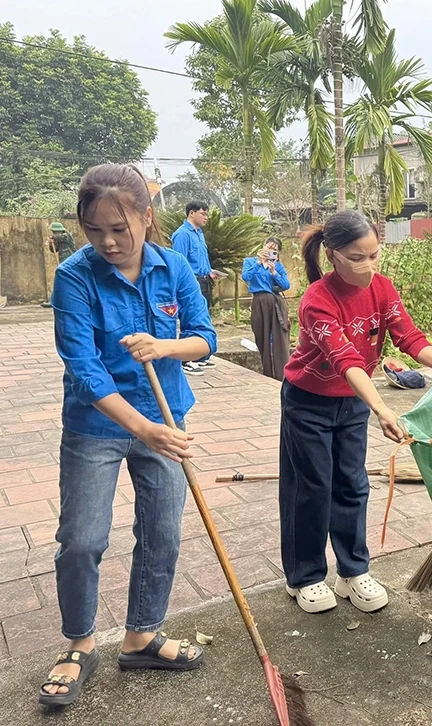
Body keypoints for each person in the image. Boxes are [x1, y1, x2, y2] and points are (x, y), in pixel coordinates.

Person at [40, 163, 217, 707]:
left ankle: (141, 635)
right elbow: (83, 366)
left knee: (163, 530)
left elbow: (204, 339)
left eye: (121, 228)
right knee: (83, 538)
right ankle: (79, 643)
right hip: (98, 425)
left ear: (146, 216)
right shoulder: (74, 276)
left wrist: (164, 347)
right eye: (95, 231)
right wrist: (144, 428)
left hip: (167, 420)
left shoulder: (176, 267)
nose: (109, 242)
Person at [279, 210, 432, 614]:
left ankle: (352, 571)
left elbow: (407, 333)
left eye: (374, 255)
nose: (368, 266)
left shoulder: (382, 288)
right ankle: (305, 577)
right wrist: (382, 407)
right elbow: (345, 359)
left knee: (352, 484)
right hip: (309, 401)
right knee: (311, 489)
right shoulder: (317, 299)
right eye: (357, 257)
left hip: (352, 403)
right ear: (332, 255)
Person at [171, 201, 218, 375]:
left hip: (204, 280)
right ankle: (186, 359)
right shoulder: (182, 235)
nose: (206, 217)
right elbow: (180, 262)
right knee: (189, 318)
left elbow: (200, 259)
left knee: (201, 317)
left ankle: (199, 357)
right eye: (203, 213)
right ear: (191, 213)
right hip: (191, 283)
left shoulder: (199, 234)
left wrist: (210, 271)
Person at [242, 237, 290, 380]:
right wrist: (259, 263)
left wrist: (274, 271)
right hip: (259, 301)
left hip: (275, 302)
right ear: (263, 247)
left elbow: (286, 285)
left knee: (277, 338)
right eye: (269, 248)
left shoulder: (278, 266)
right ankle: (267, 371)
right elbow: (246, 276)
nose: (271, 252)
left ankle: (281, 373)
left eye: (275, 250)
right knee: (260, 333)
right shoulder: (250, 262)